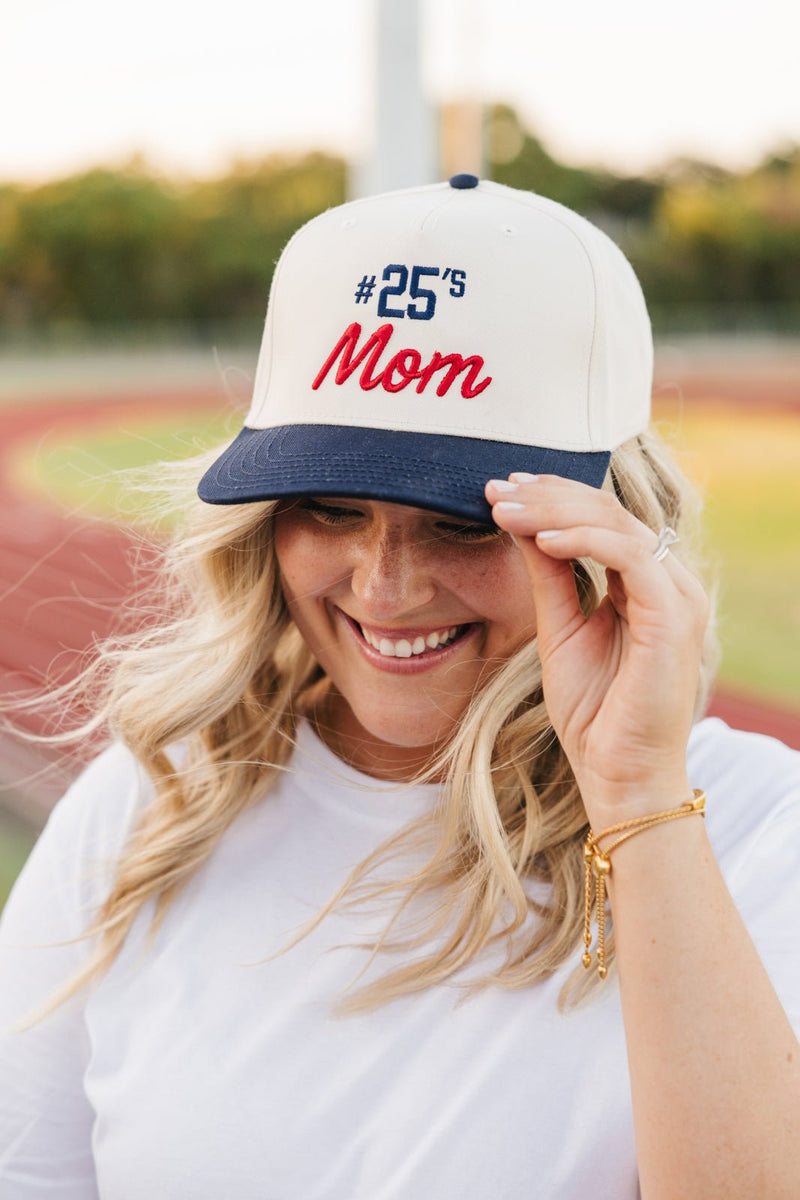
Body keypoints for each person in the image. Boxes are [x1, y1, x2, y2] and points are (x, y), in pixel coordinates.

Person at [1, 175, 798, 1200]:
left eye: (463, 523)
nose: (384, 587)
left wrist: (636, 796)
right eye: (330, 508)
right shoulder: (145, 810)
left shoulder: (757, 829)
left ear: (605, 523)